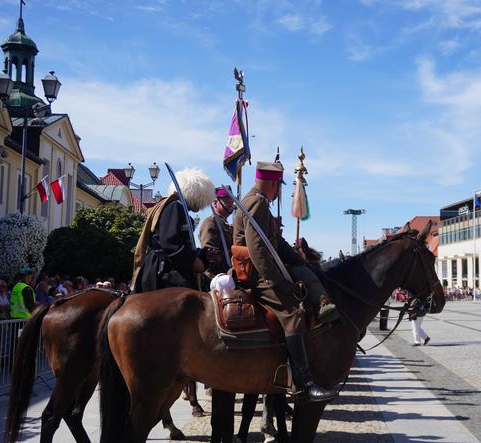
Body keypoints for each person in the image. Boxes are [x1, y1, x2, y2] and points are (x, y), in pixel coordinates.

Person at [233, 161, 335, 403]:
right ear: (271, 183)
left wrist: (303, 265)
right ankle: (304, 384)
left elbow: (276, 243)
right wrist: (281, 283)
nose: (278, 191)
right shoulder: (256, 203)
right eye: (278, 186)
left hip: (263, 269)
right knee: (293, 315)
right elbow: (258, 251)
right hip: (257, 274)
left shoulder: (258, 202)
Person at [131, 167, 214, 293]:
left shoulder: (178, 208)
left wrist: (203, 255)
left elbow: (182, 244)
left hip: (168, 267)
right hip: (165, 272)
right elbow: (170, 243)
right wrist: (193, 261)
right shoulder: (175, 207)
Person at [199, 186, 234, 278]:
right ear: (215, 203)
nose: (231, 204)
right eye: (226, 201)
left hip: (228, 273)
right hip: (216, 277)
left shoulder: (226, 225)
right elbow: (210, 254)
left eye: (232, 201)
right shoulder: (210, 222)